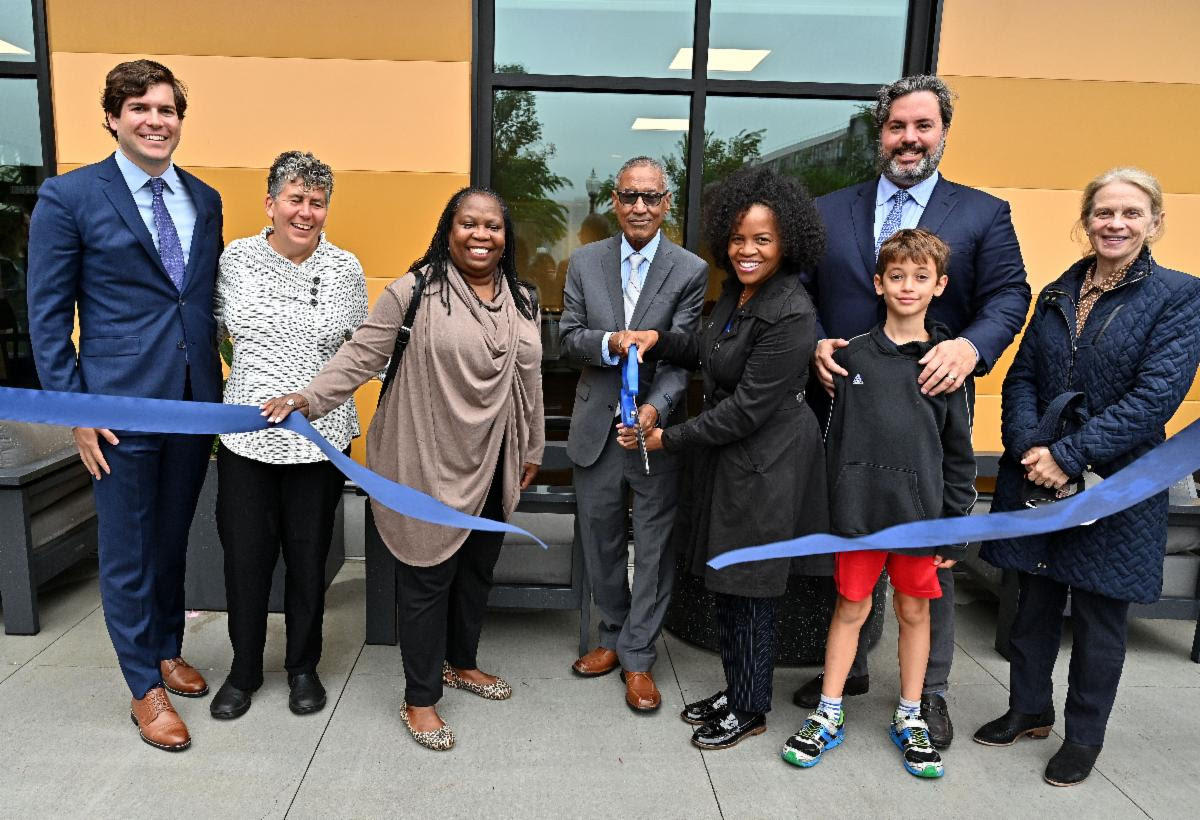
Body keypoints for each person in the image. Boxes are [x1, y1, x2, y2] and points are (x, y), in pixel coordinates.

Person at [260, 187, 543, 751]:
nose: (481, 235)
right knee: (427, 575)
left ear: (506, 237)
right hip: (426, 455)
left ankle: (461, 662)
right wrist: (308, 398)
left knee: (475, 570)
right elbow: (362, 355)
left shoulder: (524, 298)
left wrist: (530, 448)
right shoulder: (415, 291)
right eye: (469, 224)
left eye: (493, 226)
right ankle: (419, 697)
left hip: (495, 458)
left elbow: (528, 379)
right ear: (449, 228)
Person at [796, 74, 1032, 748]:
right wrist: (814, 340)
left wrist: (969, 347)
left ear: (943, 133)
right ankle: (850, 678)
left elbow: (1009, 296)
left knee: (926, 565)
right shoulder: (832, 207)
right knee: (858, 546)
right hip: (851, 399)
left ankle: (928, 696)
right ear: (881, 133)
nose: (909, 138)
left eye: (923, 126)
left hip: (933, 404)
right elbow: (803, 288)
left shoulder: (983, 213)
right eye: (898, 126)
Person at [974, 168, 1200, 787]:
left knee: (1101, 615)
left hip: (1117, 481)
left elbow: (1155, 399)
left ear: (1154, 222)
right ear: (1086, 219)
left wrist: (1068, 456)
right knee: (1032, 599)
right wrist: (1030, 449)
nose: (1116, 224)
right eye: (1104, 212)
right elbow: (1020, 378)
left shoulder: (1179, 296)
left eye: (1131, 213)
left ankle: (1084, 737)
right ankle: (1027, 708)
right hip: (1038, 472)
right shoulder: (1056, 292)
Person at [26, 60, 223, 751]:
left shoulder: (204, 197)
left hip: (194, 404)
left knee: (170, 541)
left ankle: (167, 646)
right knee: (128, 553)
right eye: (139, 107)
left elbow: (196, 302)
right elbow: (47, 317)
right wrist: (74, 410)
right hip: (115, 410)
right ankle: (144, 685)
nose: (155, 120)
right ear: (112, 117)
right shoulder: (69, 196)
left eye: (167, 109)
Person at [613, 165, 828, 748]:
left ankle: (751, 707)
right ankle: (738, 689)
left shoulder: (791, 309)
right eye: (738, 238)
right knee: (730, 583)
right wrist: (661, 340)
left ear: (787, 243)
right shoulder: (736, 294)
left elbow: (748, 408)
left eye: (762, 239)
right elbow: (710, 352)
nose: (747, 249)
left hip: (768, 465)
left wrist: (667, 440)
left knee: (752, 587)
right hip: (731, 463)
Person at [782, 229, 975, 778]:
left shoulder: (946, 368)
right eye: (896, 276)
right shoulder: (852, 357)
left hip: (918, 523)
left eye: (920, 277)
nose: (907, 287)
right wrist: (834, 509)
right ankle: (829, 711)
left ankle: (910, 714)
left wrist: (953, 527)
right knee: (849, 610)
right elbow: (835, 442)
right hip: (859, 520)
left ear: (939, 285)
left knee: (916, 612)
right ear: (878, 282)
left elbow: (958, 456)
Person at [208, 151, 367, 720]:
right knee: (244, 561)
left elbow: (356, 354)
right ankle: (244, 671)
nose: (306, 212)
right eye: (295, 199)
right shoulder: (236, 259)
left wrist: (306, 396)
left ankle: (303, 667)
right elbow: (220, 333)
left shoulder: (345, 268)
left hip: (319, 439)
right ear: (270, 203)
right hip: (246, 440)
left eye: (317, 202)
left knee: (307, 561)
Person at [558, 156, 707, 711]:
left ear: (667, 202)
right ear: (613, 202)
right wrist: (610, 343)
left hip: (653, 431)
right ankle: (614, 636)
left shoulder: (689, 270)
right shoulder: (584, 263)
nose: (639, 206)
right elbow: (568, 337)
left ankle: (640, 656)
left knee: (653, 545)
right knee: (598, 540)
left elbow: (683, 354)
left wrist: (656, 410)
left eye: (650, 196)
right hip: (596, 425)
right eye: (628, 196)